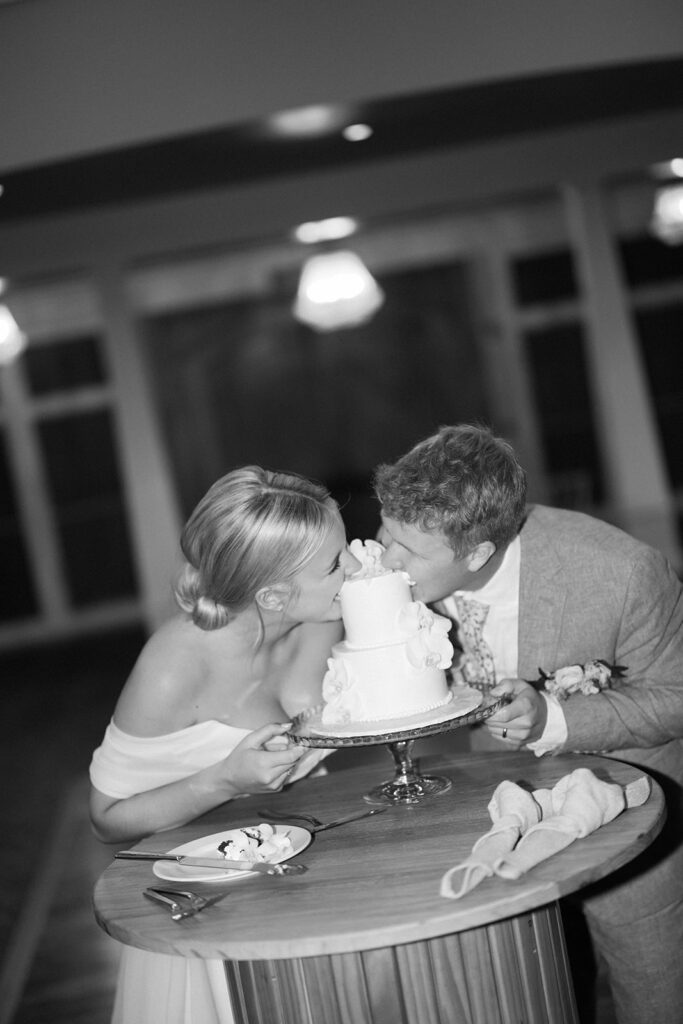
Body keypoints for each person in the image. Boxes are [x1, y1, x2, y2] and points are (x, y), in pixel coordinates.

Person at [374, 423, 683, 1024]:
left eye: (407, 552)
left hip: (628, 816)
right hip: (489, 825)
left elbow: (678, 695)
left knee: (655, 1001)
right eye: (386, 533)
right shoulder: (394, 575)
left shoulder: (621, 572)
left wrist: (556, 717)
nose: (386, 560)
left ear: (477, 554)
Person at [89, 465, 360, 1024]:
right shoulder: (173, 668)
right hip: (210, 902)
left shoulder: (323, 619)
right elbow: (107, 821)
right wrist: (224, 779)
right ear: (273, 593)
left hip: (314, 867)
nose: (358, 563)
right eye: (336, 563)